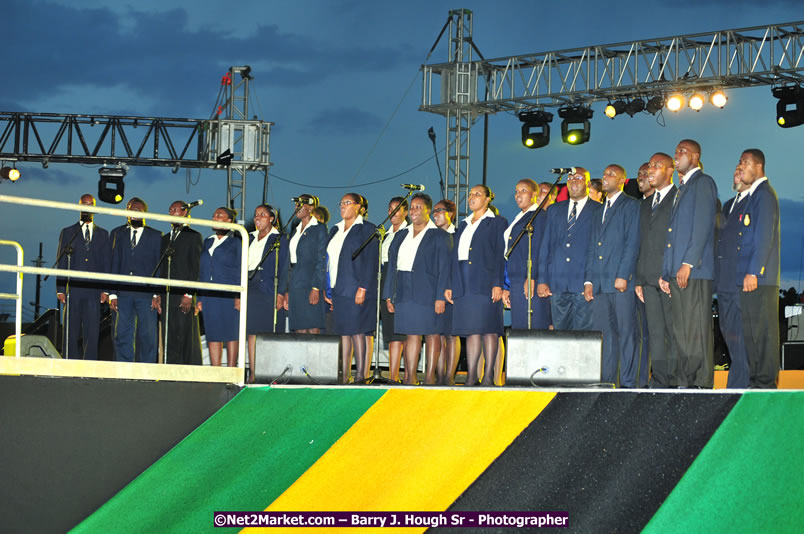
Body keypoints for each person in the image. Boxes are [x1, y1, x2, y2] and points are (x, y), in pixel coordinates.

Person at [660, 139, 718, 389]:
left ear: (695, 157)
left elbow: (702, 225)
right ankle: (685, 380)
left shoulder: (703, 183)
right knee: (682, 330)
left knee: (696, 329)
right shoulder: (682, 188)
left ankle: (701, 382)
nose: (677, 155)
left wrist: (687, 263)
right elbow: (672, 235)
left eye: (682, 151)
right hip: (677, 270)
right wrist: (666, 272)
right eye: (676, 151)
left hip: (694, 270)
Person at [383, 194, 451, 385]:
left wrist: (440, 296)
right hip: (403, 289)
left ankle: (429, 377)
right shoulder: (401, 235)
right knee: (411, 333)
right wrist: (389, 295)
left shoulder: (440, 236)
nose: (413, 211)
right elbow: (392, 266)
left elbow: (445, 268)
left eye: (418, 207)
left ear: (428, 210)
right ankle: (410, 377)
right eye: (412, 207)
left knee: (431, 333)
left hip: (428, 290)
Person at [444, 184, 507, 386]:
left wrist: (497, 283)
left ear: (487, 199)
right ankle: (472, 375)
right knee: (471, 330)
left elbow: (500, 254)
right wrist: (450, 284)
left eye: (477, 194)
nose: (472, 197)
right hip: (463, 282)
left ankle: (488, 376)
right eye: (470, 194)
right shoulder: (463, 224)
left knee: (489, 329)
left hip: (485, 282)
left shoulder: (497, 222)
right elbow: (454, 257)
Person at [584, 165, 641, 387]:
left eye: (611, 174)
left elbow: (632, 242)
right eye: (604, 174)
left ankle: (627, 382)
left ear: (622, 181)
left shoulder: (631, 205)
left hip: (620, 282)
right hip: (599, 283)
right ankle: (608, 381)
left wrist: (623, 275)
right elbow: (592, 246)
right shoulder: (598, 210)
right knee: (605, 335)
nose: (605, 177)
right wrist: (589, 280)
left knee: (626, 333)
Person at [735, 148, 780, 389]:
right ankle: (756, 383)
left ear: (758, 166)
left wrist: (754, 271)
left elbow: (764, 237)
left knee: (763, 334)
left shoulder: (764, 194)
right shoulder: (754, 196)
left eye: (745, 162)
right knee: (751, 334)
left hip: (760, 279)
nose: (740, 167)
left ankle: (765, 385)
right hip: (749, 279)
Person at [537, 168, 602, 331]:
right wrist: (542, 280)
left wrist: (591, 280)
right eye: (570, 177)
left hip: (584, 284)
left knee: (584, 336)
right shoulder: (554, 210)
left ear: (588, 183)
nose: (573, 180)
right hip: (557, 283)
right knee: (561, 335)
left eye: (578, 177)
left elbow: (599, 250)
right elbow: (546, 246)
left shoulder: (598, 209)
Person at [634, 154, 677, 388]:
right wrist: (638, 280)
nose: (650, 170)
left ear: (670, 171)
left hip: (669, 278)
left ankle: (677, 378)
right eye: (649, 166)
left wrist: (669, 272)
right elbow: (640, 243)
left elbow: (678, 240)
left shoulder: (679, 198)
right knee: (656, 332)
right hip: (648, 280)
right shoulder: (645, 204)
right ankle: (660, 379)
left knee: (674, 331)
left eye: (656, 166)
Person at [327, 193, 379, 384]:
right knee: (344, 331)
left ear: (358, 207)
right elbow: (328, 260)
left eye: (347, 203)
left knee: (358, 330)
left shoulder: (367, 229)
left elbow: (371, 261)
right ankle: (345, 374)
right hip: (338, 287)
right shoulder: (335, 229)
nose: (343, 206)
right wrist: (327, 287)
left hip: (356, 287)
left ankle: (361, 375)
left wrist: (363, 287)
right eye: (341, 203)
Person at [56, 194, 111, 360]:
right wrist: (60, 289)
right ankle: (69, 361)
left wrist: (105, 289)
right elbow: (61, 260)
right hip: (73, 289)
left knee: (92, 331)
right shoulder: (68, 232)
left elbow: (106, 262)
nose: (87, 207)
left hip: (94, 291)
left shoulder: (103, 234)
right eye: (84, 204)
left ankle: (90, 364)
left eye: (90, 204)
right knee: (70, 330)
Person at [109, 197, 162, 363]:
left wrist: (156, 293)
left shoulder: (156, 236)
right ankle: (124, 369)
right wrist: (112, 293)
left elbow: (159, 265)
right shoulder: (117, 233)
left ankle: (146, 370)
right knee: (122, 334)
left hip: (146, 294)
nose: (134, 213)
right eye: (131, 209)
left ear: (145, 212)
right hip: (123, 293)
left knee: (148, 336)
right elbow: (113, 263)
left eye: (138, 210)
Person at [715, 167, 750, 388]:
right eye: (734, 172)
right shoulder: (728, 205)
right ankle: (737, 382)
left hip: (741, 281)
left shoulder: (754, 203)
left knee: (743, 336)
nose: (736, 174)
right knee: (729, 334)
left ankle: (743, 384)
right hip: (724, 282)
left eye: (740, 171)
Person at [246, 204, 288, 382]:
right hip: (249, 287)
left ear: (272, 218)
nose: (258, 217)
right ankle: (254, 373)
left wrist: (281, 292)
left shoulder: (279, 239)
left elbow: (285, 267)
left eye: (262, 214)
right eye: (256, 214)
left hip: (269, 288)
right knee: (251, 332)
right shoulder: (248, 237)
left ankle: (270, 374)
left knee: (269, 332)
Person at [159, 200, 203, 365]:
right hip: (167, 294)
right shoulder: (165, 239)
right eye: (170, 210)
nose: (172, 213)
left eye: (176, 209)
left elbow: (195, 267)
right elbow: (161, 268)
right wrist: (158, 294)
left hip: (184, 293)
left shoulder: (193, 236)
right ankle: (171, 369)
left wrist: (189, 294)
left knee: (186, 335)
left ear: (185, 212)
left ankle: (189, 370)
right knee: (169, 335)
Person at [197, 207, 242, 367]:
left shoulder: (236, 242)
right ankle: (215, 371)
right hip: (209, 294)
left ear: (229, 221)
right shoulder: (207, 241)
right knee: (213, 333)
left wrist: (238, 296)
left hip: (229, 293)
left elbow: (240, 269)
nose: (214, 218)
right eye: (213, 215)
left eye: (219, 215)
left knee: (231, 332)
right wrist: (200, 297)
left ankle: (231, 370)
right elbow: (202, 270)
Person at [503, 179, 550, 330]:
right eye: (516, 191)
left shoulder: (538, 216)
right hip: (516, 279)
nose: (518, 195)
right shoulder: (520, 217)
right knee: (520, 327)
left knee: (533, 327)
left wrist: (532, 277)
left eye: (523, 191)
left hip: (528, 279)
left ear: (534, 194)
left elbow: (538, 248)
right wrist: (507, 286)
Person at [285, 195, 327, 334]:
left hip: (310, 282)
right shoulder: (295, 230)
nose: (297, 207)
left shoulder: (319, 228)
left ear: (310, 208)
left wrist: (316, 287)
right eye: (296, 204)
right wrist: (286, 290)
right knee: (299, 325)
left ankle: (314, 351)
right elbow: (289, 261)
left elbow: (321, 259)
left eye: (301, 204)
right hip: (295, 282)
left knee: (312, 324)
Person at [380, 197, 409, 382]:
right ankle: (393, 375)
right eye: (390, 208)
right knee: (391, 333)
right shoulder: (386, 234)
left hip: (399, 283)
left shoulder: (408, 232)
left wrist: (393, 292)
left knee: (400, 333)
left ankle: (398, 375)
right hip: (384, 280)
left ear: (405, 212)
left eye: (397, 209)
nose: (392, 212)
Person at [432, 198, 460, 385]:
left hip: (451, 292)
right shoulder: (430, 236)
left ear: (450, 214)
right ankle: (440, 376)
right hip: (432, 291)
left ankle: (449, 377)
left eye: (439, 210)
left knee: (451, 334)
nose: (435, 214)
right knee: (437, 334)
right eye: (433, 211)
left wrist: (447, 289)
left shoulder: (457, 235)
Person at [633, 162, 654, 387]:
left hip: (655, 280)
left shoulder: (664, 204)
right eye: (639, 174)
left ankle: (656, 379)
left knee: (654, 333)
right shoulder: (638, 206)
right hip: (636, 280)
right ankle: (639, 381)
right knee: (639, 334)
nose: (641, 177)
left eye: (645, 174)